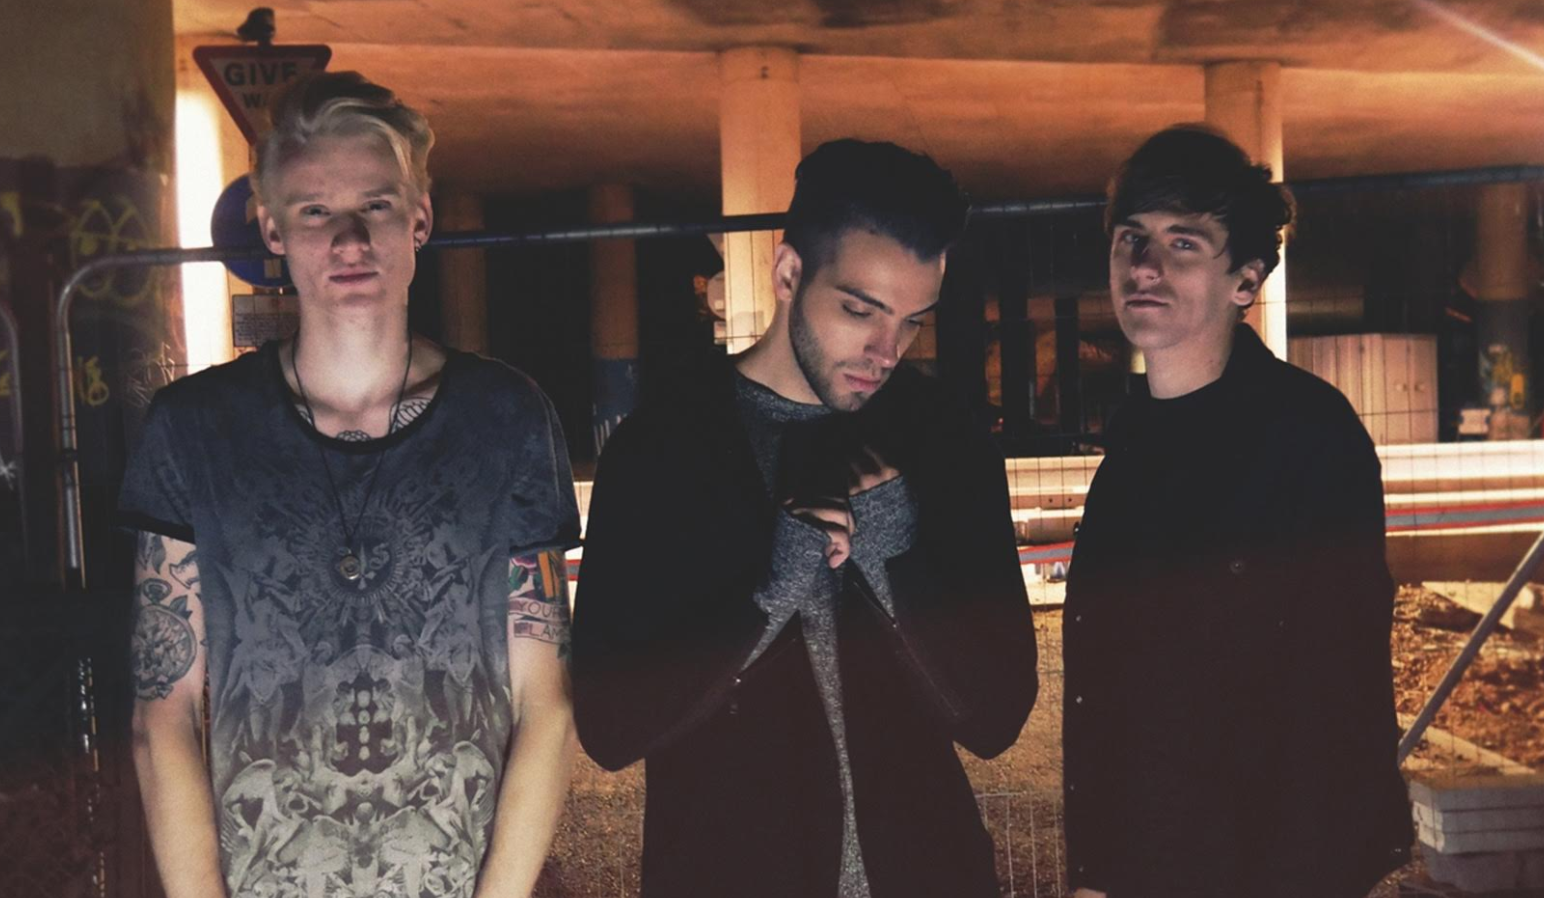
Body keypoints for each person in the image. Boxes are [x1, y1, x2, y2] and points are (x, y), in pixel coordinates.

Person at [119, 72, 580, 898]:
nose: (350, 240)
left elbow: (544, 704)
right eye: (315, 211)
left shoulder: (506, 418)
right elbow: (164, 716)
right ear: (271, 228)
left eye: (375, 205)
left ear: (420, 218)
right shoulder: (194, 430)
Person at [571, 139, 1039, 898]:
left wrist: (895, 557)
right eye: (860, 310)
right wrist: (769, 591)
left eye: (912, 322)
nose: (886, 350)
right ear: (788, 273)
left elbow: (996, 718)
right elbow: (610, 728)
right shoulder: (661, 450)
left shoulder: (946, 441)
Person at [1063, 125, 1414, 898]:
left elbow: (1336, 705)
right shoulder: (1130, 453)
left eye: (1183, 243)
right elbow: (1109, 696)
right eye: (1130, 238)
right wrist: (1096, 872)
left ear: (1245, 280)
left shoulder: (1306, 440)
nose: (1144, 265)